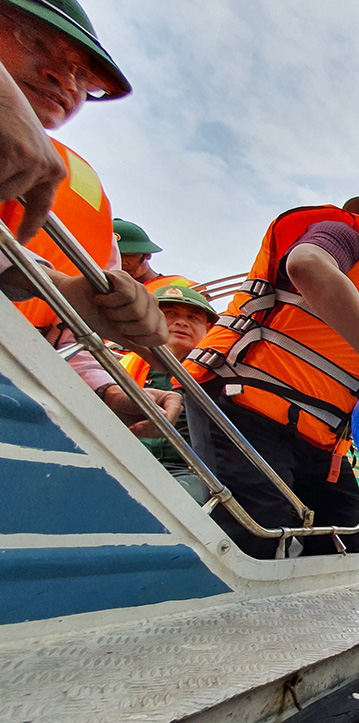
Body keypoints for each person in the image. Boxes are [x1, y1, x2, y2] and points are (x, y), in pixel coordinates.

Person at [184, 187, 359, 559]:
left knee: (348, 541)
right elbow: (307, 263)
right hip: (245, 404)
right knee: (257, 536)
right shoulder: (349, 231)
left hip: (320, 442)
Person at [0, 0, 173, 428]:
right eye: (33, 40)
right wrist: (58, 287)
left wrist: (108, 392)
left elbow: (61, 335)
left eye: (84, 76)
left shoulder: (88, 193)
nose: (64, 79)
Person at [121, 284, 217, 502]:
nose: (181, 322)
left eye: (193, 317)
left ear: (209, 329)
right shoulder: (116, 367)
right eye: (169, 313)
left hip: (189, 472)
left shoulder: (222, 373)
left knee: (182, 502)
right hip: (124, 459)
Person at [113, 217, 197, 293]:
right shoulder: (108, 289)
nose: (121, 261)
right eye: (113, 255)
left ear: (147, 255)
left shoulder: (179, 288)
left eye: (128, 255)